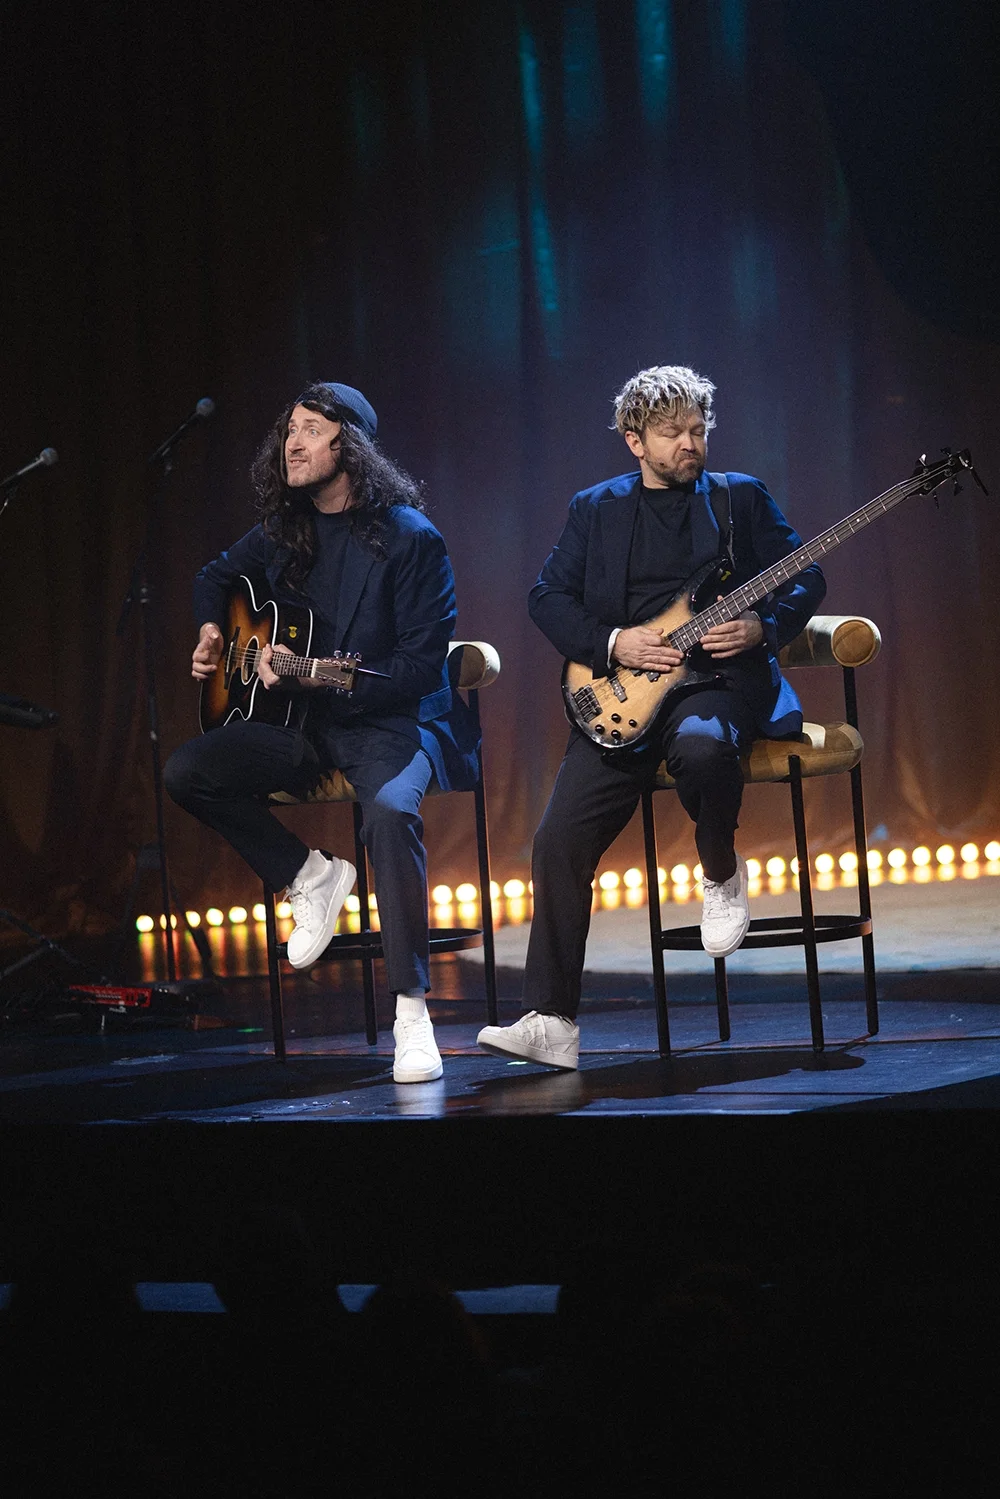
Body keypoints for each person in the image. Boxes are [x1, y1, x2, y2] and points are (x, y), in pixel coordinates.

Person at [477, 364, 826, 1070]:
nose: (690, 443)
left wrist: (763, 626)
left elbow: (806, 574)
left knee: (702, 748)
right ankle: (551, 1021)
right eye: (672, 433)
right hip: (621, 697)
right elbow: (547, 597)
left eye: (698, 429)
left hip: (714, 684)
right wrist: (613, 642)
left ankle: (721, 873)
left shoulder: (739, 498)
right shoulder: (595, 509)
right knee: (556, 841)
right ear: (634, 440)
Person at [165, 382, 477, 1083]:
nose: (293, 444)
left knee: (389, 813)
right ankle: (307, 873)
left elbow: (418, 668)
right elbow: (213, 575)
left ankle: (411, 1012)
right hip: (302, 725)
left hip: (387, 721)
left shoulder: (410, 537)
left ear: (349, 445)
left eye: (310, 430)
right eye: (289, 431)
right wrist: (212, 630)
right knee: (188, 772)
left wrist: (315, 675)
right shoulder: (287, 528)